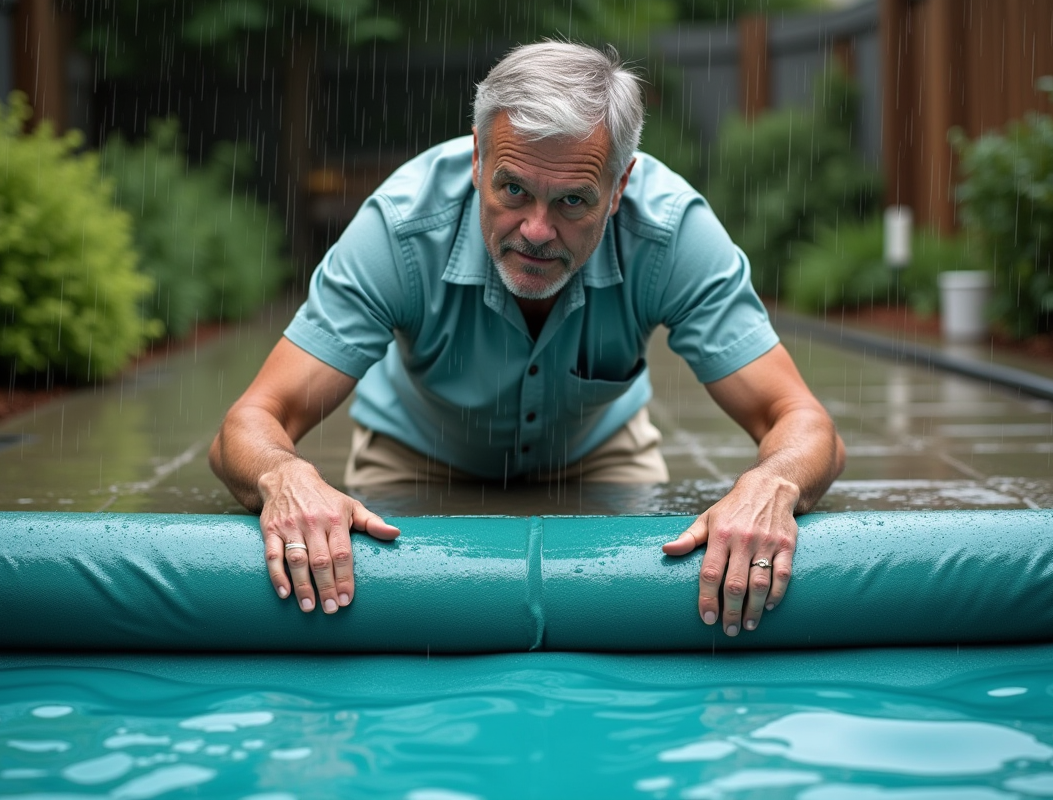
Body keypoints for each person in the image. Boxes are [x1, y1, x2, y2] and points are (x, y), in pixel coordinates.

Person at [210, 41, 845, 637]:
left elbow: (801, 422)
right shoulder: (399, 231)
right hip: (416, 452)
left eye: (573, 201)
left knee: (639, 614)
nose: (537, 231)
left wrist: (773, 485)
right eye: (513, 189)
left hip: (600, 452)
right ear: (476, 162)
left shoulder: (671, 233)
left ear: (619, 187)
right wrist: (284, 477)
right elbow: (250, 423)